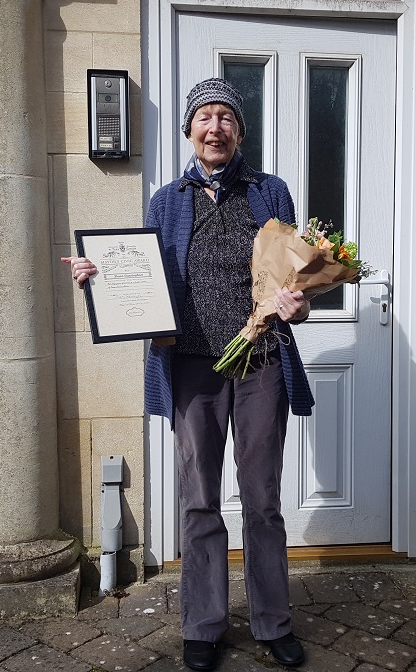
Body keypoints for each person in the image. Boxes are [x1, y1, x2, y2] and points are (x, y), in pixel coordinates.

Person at [64, 78, 313, 671]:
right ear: (188, 130)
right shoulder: (167, 200)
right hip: (193, 368)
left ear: (240, 131)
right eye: (205, 116)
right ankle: (203, 623)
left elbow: (294, 279)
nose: (215, 127)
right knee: (199, 500)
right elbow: (143, 274)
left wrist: (297, 305)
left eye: (226, 116)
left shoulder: (269, 192)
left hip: (261, 364)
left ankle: (272, 622)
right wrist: (104, 277)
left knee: (263, 500)